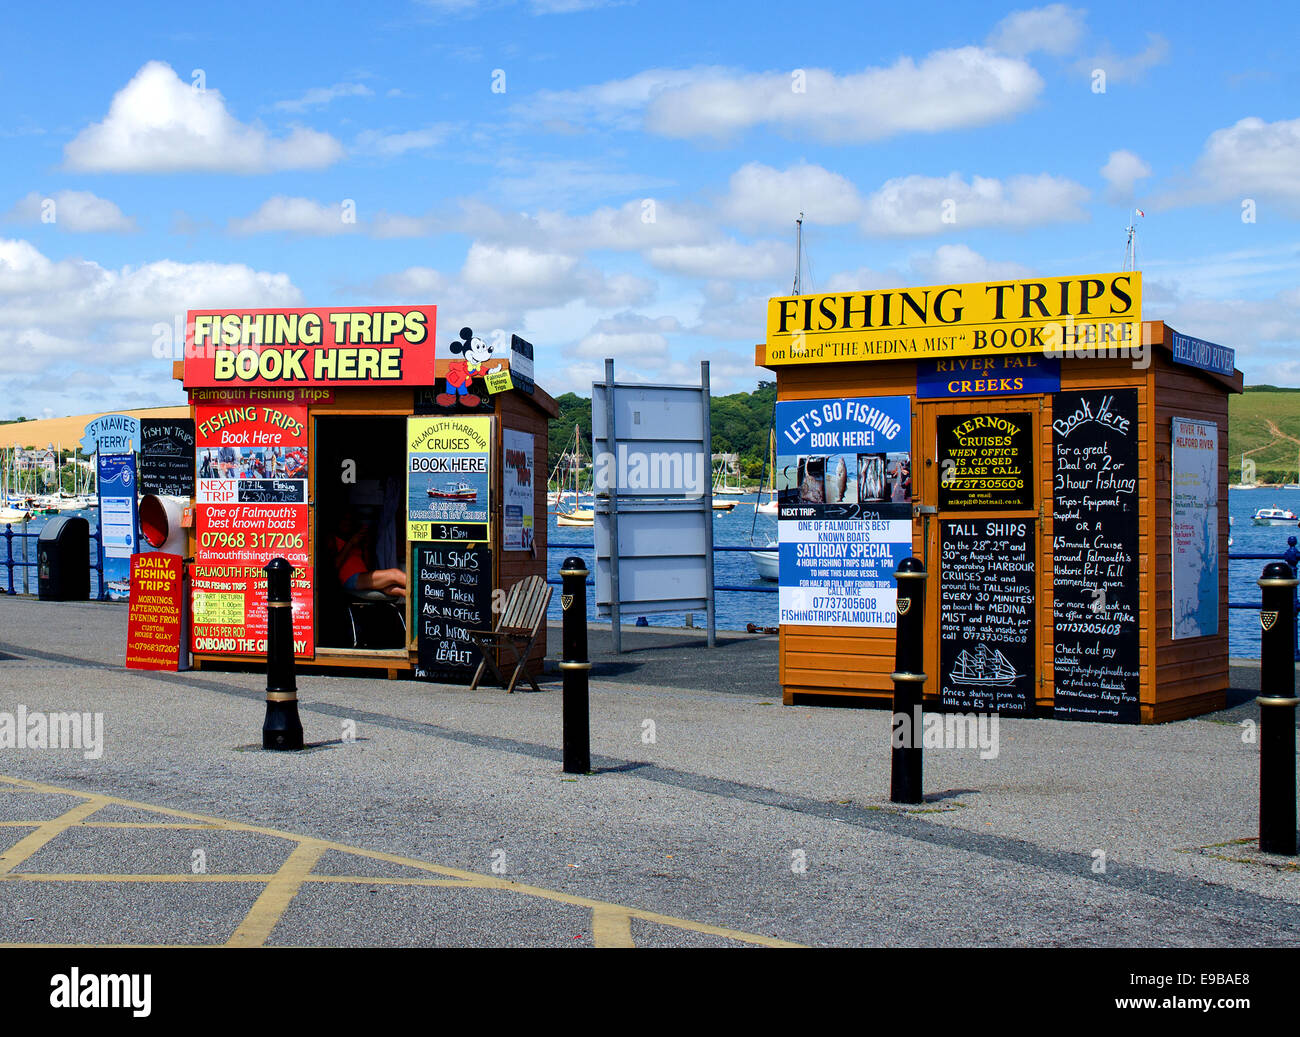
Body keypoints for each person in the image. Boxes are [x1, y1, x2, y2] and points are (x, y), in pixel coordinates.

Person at [332, 509, 406, 599]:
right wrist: (350, 543)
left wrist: (365, 545)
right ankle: (425, 587)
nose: (347, 523)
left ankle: (423, 601)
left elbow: (367, 565)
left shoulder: (354, 540)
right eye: (344, 520)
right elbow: (334, 566)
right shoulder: (333, 540)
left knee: (395, 589)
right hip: (349, 578)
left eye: (349, 520)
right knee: (394, 574)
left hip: (362, 577)